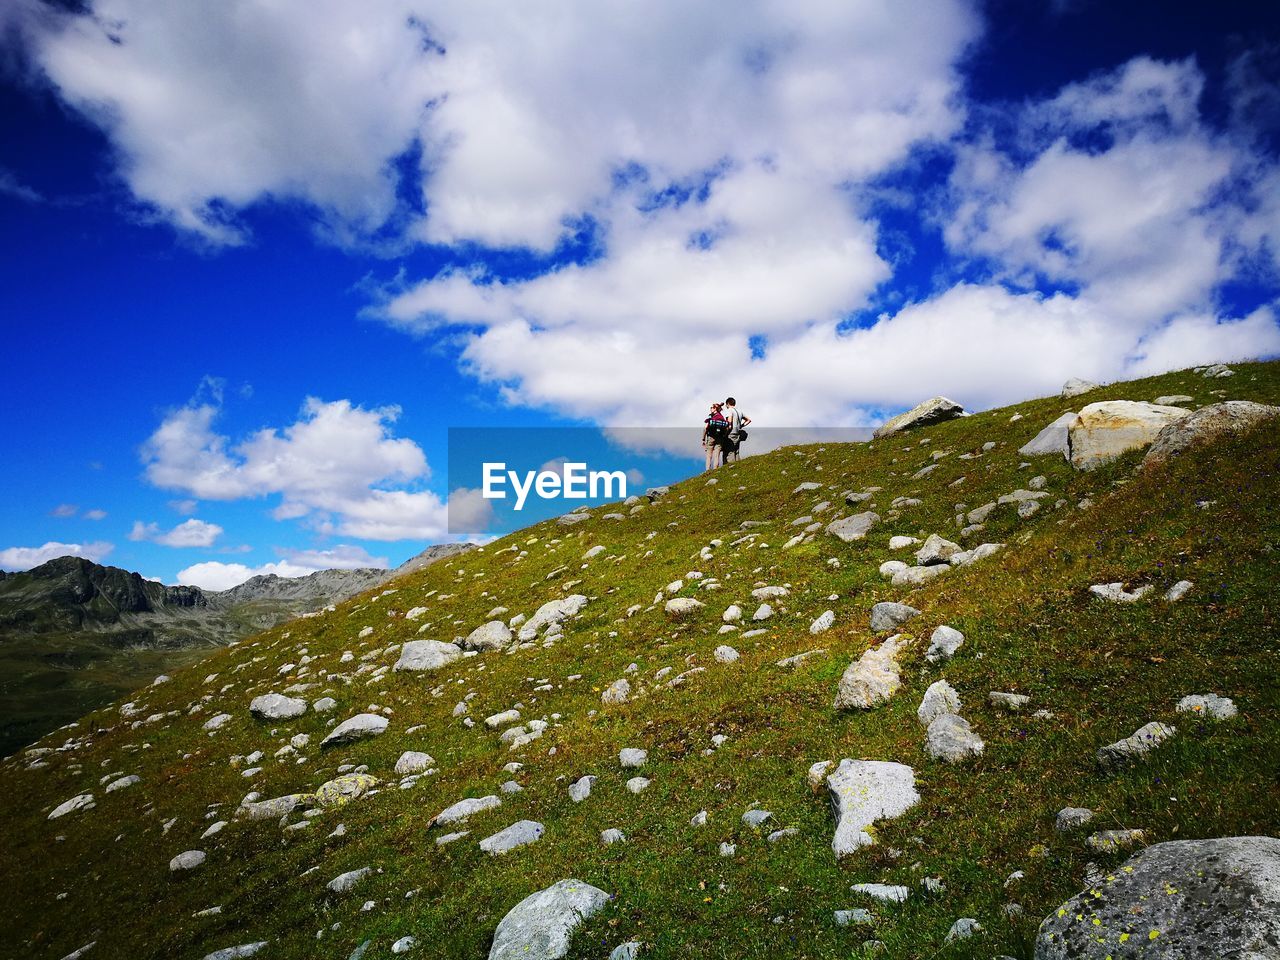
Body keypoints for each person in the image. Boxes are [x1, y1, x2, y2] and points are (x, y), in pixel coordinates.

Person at [722, 396, 752, 464]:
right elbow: (749, 420)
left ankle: (730, 467)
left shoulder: (729, 410)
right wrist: (741, 425)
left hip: (731, 433)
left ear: (727, 404)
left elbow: (729, 422)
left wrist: (725, 433)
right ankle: (738, 466)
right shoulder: (740, 412)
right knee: (736, 451)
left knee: (730, 451)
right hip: (737, 433)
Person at [702, 401, 728, 471]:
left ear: (714, 409)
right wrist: (723, 436)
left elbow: (705, 428)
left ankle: (707, 470)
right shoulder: (722, 417)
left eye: (711, 408)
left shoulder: (712, 418)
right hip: (720, 438)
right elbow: (726, 428)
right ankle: (715, 469)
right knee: (717, 455)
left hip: (711, 437)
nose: (710, 409)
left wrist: (703, 439)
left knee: (709, 455)